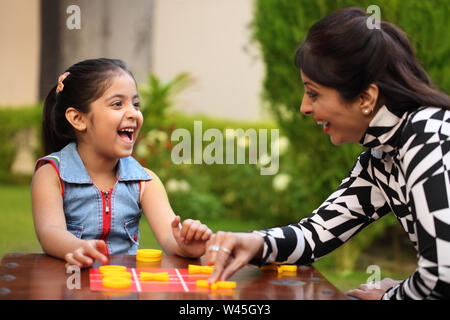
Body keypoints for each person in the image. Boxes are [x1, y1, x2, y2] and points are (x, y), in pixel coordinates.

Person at [205, 7, 450, 300]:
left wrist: (390, 297)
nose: (304, 108)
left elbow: (441, 276)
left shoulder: (429, 134)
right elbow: (314, 235)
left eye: (313, 93)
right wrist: (254, 243)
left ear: (365, 98)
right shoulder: (382, 156)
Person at [31, 58, 212, 268]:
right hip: (72, 286)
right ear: (78, 119)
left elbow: (169, 238)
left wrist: (187, 245)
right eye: (118, 104)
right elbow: (50, 231)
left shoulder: (145, 181)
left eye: (136, 104)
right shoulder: (51, 174)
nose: (133, 113)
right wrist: (75, 247)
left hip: (124, 289)